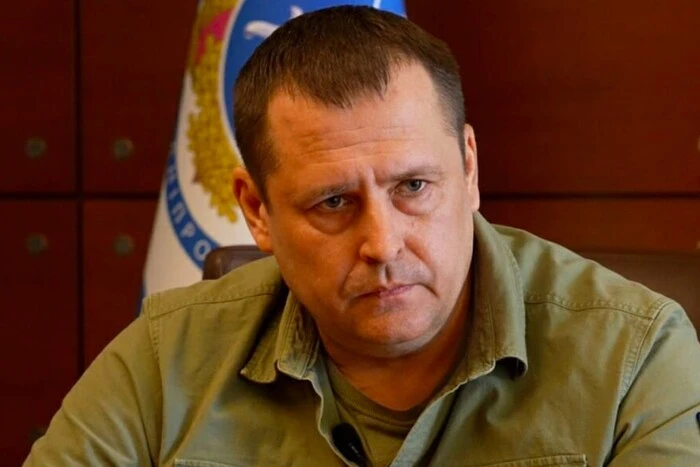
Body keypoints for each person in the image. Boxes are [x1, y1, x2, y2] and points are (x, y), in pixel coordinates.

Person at [25, 6, 700, 466]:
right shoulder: (163, 361)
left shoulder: (634, 357)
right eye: (333, 202)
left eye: (414, 186)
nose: (383, 243)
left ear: (468, 168)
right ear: (256, 210)